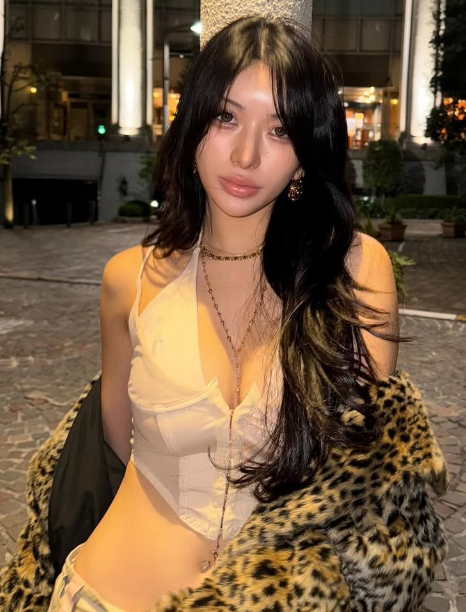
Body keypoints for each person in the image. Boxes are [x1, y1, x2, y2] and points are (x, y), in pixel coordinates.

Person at [48, 15, 399, 612]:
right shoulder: (129, 280)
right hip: (107, 595)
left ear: (306, 157)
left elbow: (363, 471)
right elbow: (118, 444)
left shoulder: (355, 272)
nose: (245, 154)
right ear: (193, 127)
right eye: (225, 118)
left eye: (280, 130)